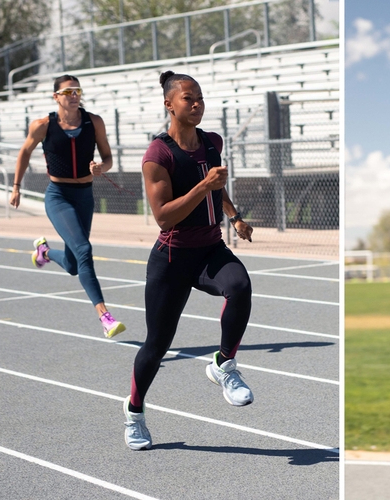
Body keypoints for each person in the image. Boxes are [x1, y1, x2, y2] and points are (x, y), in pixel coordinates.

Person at [123, 71, 255, 450]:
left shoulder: (213, 142)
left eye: (200, 98)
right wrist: (204, 186)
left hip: (210, 249)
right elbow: (164, 216)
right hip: (173, 258)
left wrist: (234, 216)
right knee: (156, 346)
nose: (197, 104)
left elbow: (217, 186)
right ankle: (134, 413)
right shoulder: (158, 155)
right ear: (169, 104)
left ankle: (224, 365)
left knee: (240, 286)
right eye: (188, 99)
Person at [9, 75, 125, 338]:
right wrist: (16, 186)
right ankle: (105, 316)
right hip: (58, 196)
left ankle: (45, 252)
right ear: (56, 97)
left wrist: (101, 167)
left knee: (73, 265)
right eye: (68, 91)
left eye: (77, 91)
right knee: (84, 250)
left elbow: (108, 157)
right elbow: (25, 152)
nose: (74, 95)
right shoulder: (43, 125)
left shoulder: (94, 122)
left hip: (84, 196)